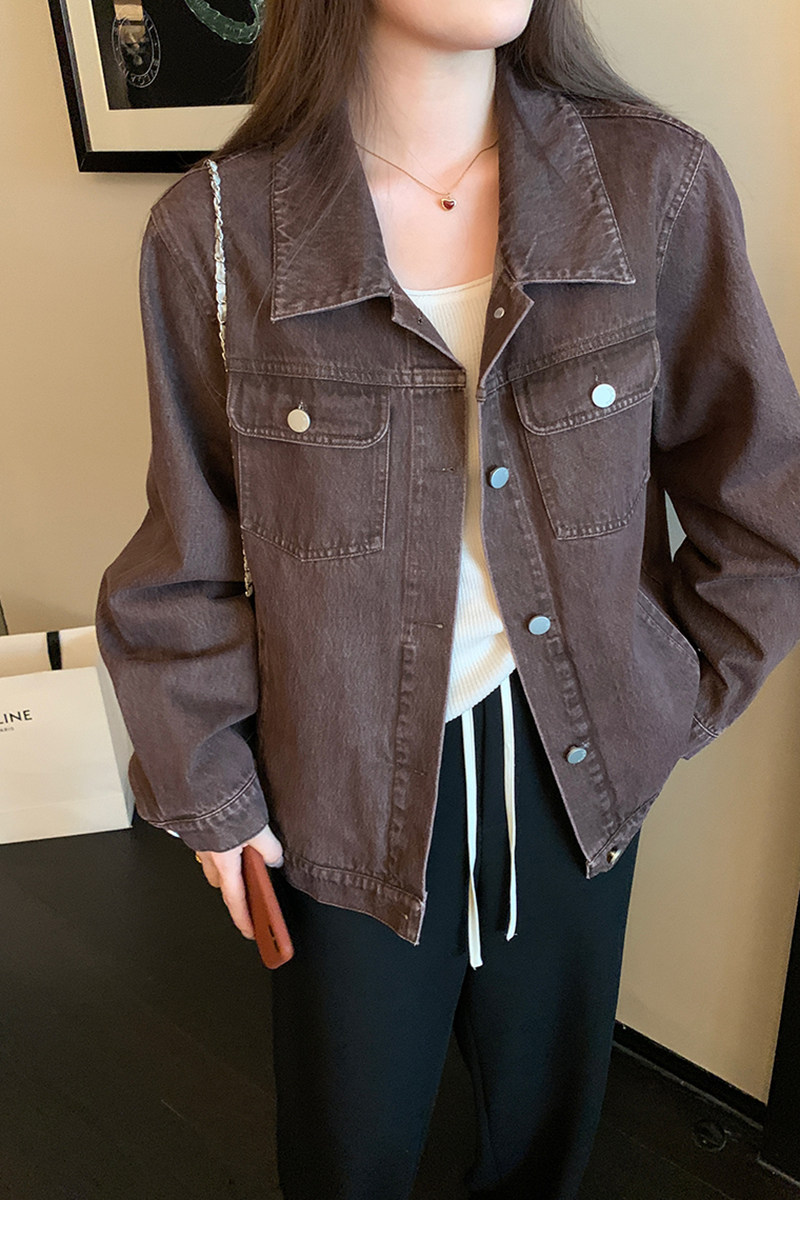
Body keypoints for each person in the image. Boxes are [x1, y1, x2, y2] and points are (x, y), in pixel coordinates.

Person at [95, 0, 800, 1199]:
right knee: (347, 1156)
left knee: (545, 1145)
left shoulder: (651, 186)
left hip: (572, 770)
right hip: (335, 783)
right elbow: (183, 556)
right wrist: (209, 787)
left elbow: (760, 500)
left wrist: (662, 698)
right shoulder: (215, 232)